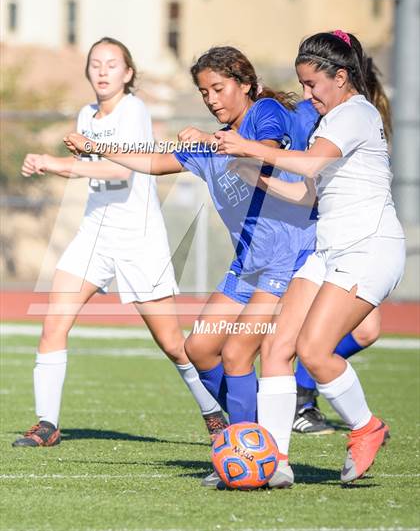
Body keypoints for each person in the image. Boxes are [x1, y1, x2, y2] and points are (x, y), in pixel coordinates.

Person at [64, 46, 319, 488]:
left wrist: (205, 136)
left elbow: (265, 152)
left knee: (240, 352)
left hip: (287, 254)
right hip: (248, 263)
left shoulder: (265, 112)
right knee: (200, 349)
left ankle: (254, 449)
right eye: (204, 92)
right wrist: (96, 146)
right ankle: (251, 435)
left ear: (244, 83)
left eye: (219, 88)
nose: (212, 98)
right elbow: (155, 161)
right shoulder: (211, 142)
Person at [215, 30, 406, 484]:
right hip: (329, 248)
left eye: (312, 85)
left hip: (368, 248)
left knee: (315, 352)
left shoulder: (356, 113)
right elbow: (304, 194)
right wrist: (255, 175)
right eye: (301, 85)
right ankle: (275, 461)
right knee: (276, 349)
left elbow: (305, 164)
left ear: (341, 77)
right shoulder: (330, 121)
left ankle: (365, 427)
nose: (306, 95)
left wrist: (246, 146)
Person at [13, 37, 223, 448]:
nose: (103, 70)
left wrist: (56, 163)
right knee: (54, 323)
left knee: (171, 343)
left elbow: (121, 171)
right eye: (96, 64)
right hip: (94, 232)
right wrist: (58, 163)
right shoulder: (85, 114)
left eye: (112, 64)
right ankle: (47, 423)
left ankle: (213, 412)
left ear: (128, 74)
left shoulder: (134, 110)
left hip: (137, 238)